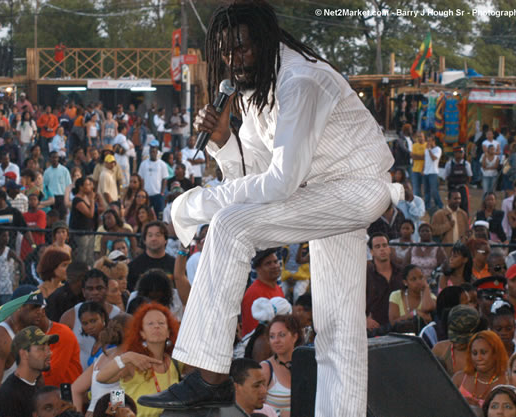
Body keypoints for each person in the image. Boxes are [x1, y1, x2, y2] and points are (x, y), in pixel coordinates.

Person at [140, 2, 401, 414]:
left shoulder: (300, 81)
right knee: (338, 335)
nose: (234, 60)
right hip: (319, 197)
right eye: (225, 52)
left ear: (266, 40)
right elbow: (258, 175)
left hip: (354, 190)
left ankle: (208, 375)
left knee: (229, 224)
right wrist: (225, 141)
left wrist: (197, 202)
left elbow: (278, 184)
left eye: (242, 47)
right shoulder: (259, 90)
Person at [96, 302, 180, 417]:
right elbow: (101, 378)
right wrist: (126, 357)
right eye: (150, 324)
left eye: (161, 323)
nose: (156, 326)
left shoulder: (176, 362)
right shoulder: (132, 362)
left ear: (169, 332)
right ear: (142, 333)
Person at [60, 269, 122, 369]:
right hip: (78, 377)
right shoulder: (70, 316)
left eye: (99, 288)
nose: (95, 292)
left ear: (106, 289)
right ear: (84, 291)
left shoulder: (119, 316)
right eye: (90, 289)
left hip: (110, 378)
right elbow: (60, 350)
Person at [72, 314, 129, 416]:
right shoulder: (126, 358)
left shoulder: (103, 355)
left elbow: (75, 389)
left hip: (91, 412)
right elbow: (117, 392)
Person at [0, 326, 59, 417]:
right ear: (24, 353)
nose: (49, 353)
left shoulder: (37, 384)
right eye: (41, 348)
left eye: (48, 347)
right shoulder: (9, 394)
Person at [452, 330, 509, 408]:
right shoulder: (459, 378)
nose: (478, 358)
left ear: (495, 353)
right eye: (474, 353)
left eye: (483, 352)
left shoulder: (508, 382)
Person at [260, 315, 302, 417]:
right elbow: (255, 408)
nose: (276, 340)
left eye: (282, 335)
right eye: (272, 336)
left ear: (295, 337)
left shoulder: (305, 365)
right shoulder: (265, 368)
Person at [241, 249, 285, 336]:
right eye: (268, 263)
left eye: (275, 262)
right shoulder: (254, 294)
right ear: (258, 269)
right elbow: (254, 332)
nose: (274, 266)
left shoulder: (277, 288)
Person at [366, 233, 404, 329]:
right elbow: (355, 299)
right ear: (372, 252)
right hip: (375, 327)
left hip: (400, 325)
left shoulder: (401, 272)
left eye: (384, 245)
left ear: (389, 248)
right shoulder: (365, 275)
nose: (382, 249)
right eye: (377, 247)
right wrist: (365, 319)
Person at [432, 304, 481, 377]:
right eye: (455, 339)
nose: (458, 344)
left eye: (464, 340)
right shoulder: (440, 350)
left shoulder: (482, 354)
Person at [126, 221, 175, 291]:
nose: (153, 239)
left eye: (158, 235)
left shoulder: (174, 265)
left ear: (166, 240)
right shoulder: (133, 266)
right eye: (150, 235)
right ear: (144, 240)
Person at [70, 176, 98, 265]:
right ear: (81, 187)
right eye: (88, 185)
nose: (90, 187)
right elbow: (90, 214)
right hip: (81, 233)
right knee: (82, 256)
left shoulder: (86, 198)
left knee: (89, 256)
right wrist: (92, 200)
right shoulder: (77, 200)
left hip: (89, 231)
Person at [445, 146, 472, 213]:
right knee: (452, 206)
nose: (460, 154)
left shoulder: (466, 164)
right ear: (454, 153)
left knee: (464, 207)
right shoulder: (449, 164)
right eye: (458, 152)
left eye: (461, 153)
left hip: (463, 188)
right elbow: (446, 176)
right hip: (452, 188)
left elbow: (469, 177)